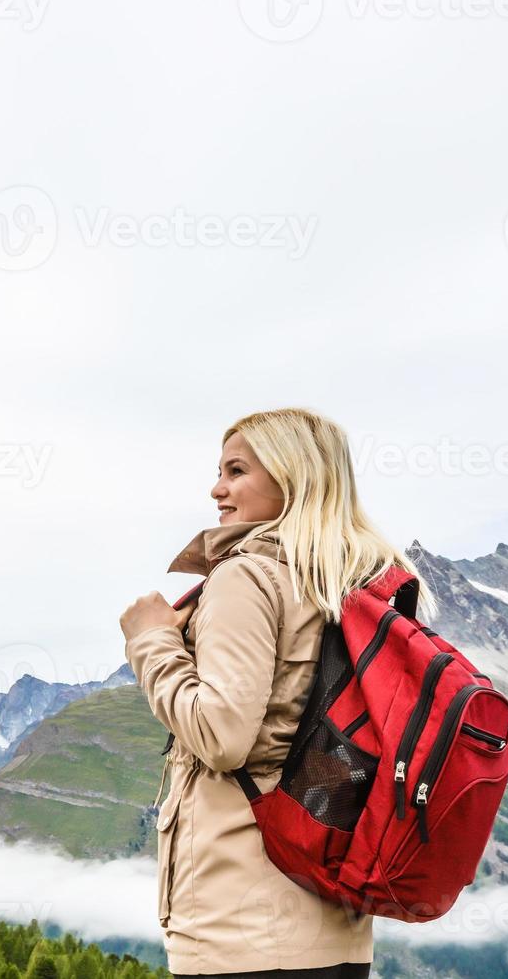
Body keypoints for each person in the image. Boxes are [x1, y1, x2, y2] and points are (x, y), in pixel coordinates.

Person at [120, 407, 433, 979]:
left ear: (293, 475)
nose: (217, 489)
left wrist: (152, 641)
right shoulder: (349, 587)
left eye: (236, 470)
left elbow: (221, 738)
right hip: (334, 921)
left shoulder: (247, 576)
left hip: (241, 931)